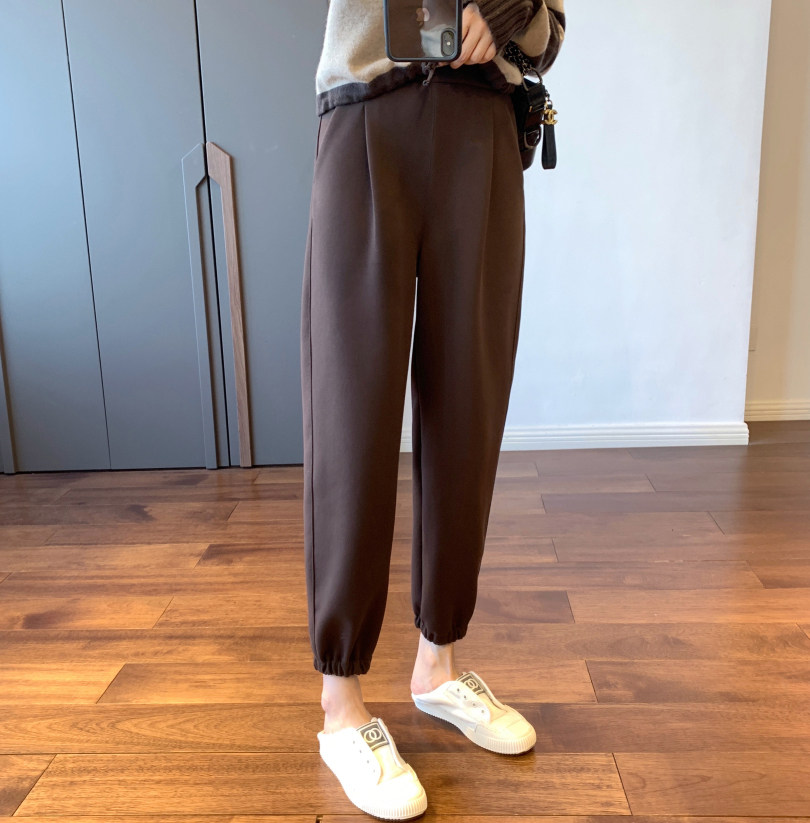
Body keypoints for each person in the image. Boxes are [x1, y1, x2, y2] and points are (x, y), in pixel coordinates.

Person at [300, 0, 566, 818]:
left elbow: (552, 30)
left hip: (483, 124)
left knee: (469, 402)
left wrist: (510, 9)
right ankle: (340, 700)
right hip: (368, 111)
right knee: (352, 408)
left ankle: (437, 663)